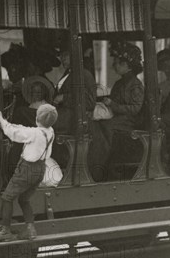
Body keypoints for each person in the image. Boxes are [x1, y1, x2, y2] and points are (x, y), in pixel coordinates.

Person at [0, 103, 58, 243]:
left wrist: (1, 120)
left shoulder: (34, 133)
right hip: (40, 169)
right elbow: (26, 130)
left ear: (37, 118)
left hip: (27, 169)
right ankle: (30, 230)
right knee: (24, 199)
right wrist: (13, 124)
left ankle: (5, 231)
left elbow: (13, 134)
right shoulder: (50, 131)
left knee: (7, 198)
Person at [90, 41, 145, 176]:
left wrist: (112, 105)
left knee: (105, 126)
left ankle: (103, 164)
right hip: (117, 118)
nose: (114, 65)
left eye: (117, 63)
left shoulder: (135, 85)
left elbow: (135, 109)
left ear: (127, 66)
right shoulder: (120, 83)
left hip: (128, 122)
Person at [53, 49, 96, 133]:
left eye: (65, 55)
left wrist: (64, 98)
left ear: (75, 55)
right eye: (61, 56)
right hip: (64, 114)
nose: (62, 59)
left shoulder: (84, 74)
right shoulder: (69, 73)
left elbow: (90, 102)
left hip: (73, 118)